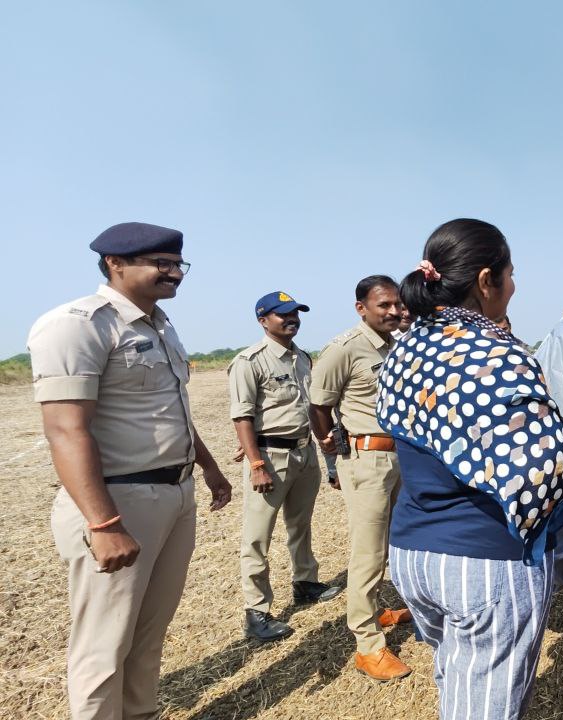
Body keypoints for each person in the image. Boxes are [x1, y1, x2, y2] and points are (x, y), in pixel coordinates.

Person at [28, 222, 233, 719]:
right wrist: (103, 524)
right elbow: (66, 431)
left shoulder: (160, 325)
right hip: (119, 501)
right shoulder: (78, 324)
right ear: (114, 264)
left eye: (177, 263)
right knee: (103, 644)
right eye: (158, 263)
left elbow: (170, 410)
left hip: (175, 493)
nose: (172, 272)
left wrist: (207, 467)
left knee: (148, 635)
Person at [376, 218, 563, 718]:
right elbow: (542, 477)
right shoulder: (496, 354)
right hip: (484, 563)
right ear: (486, 281)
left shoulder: (406, 348)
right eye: (510, 275)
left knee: (457, 673)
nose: (514, 286)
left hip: (413, 553)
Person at [309, 275, 413, 681]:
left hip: (399, 455)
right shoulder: (343, 349)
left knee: (393, 544)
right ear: (361, 308)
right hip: (367, 459)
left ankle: (376, 611)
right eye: (384, 305)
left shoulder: (394, 346)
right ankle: (368, 646)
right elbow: (319, 405)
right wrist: (331, 453)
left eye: (396, 305)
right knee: (368, 552)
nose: (393, 311)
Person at [228, 291, 340, 642]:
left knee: (300, 525)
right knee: (257, 537)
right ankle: (256, 611)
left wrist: (326, 453)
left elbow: (312, 407)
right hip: (270, 458)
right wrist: (256, 462)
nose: (291, 319)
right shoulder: (250, 361)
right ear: (264, 320)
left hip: (304, 453)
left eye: (295, 314)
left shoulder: (302, 359)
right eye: (282, 315)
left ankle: (305, 582)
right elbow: (242, 416)